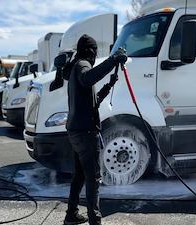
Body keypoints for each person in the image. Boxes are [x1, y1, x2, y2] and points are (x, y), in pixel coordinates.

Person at [64, 34, 127, 225]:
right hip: (85, 133)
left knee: (81, 174)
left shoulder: (75, 66)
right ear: (90, 51)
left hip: (75, 130)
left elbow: (91, 102)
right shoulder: (83, 65)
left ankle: (72, 214)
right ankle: (95, 220)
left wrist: (109, 85)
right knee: (94, 178)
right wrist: (113, 59)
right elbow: (87, 79)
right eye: (95, 52)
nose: (95, 56)